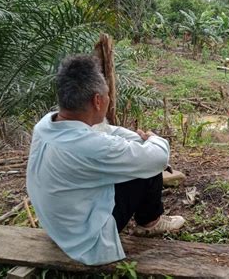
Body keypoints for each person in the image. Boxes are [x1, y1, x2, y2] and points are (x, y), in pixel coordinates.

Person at [26, 54, 185, 266]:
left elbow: (106, 130)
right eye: (107, 95)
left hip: (59, 225)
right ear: (98, 100)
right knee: (147, 169)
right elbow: (158, 158)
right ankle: (150, 222)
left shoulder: (46, 125)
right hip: (84, 239)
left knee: (136, 154)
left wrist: (137, 138)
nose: (109, 99)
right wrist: (154, 139)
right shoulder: (90, 147)